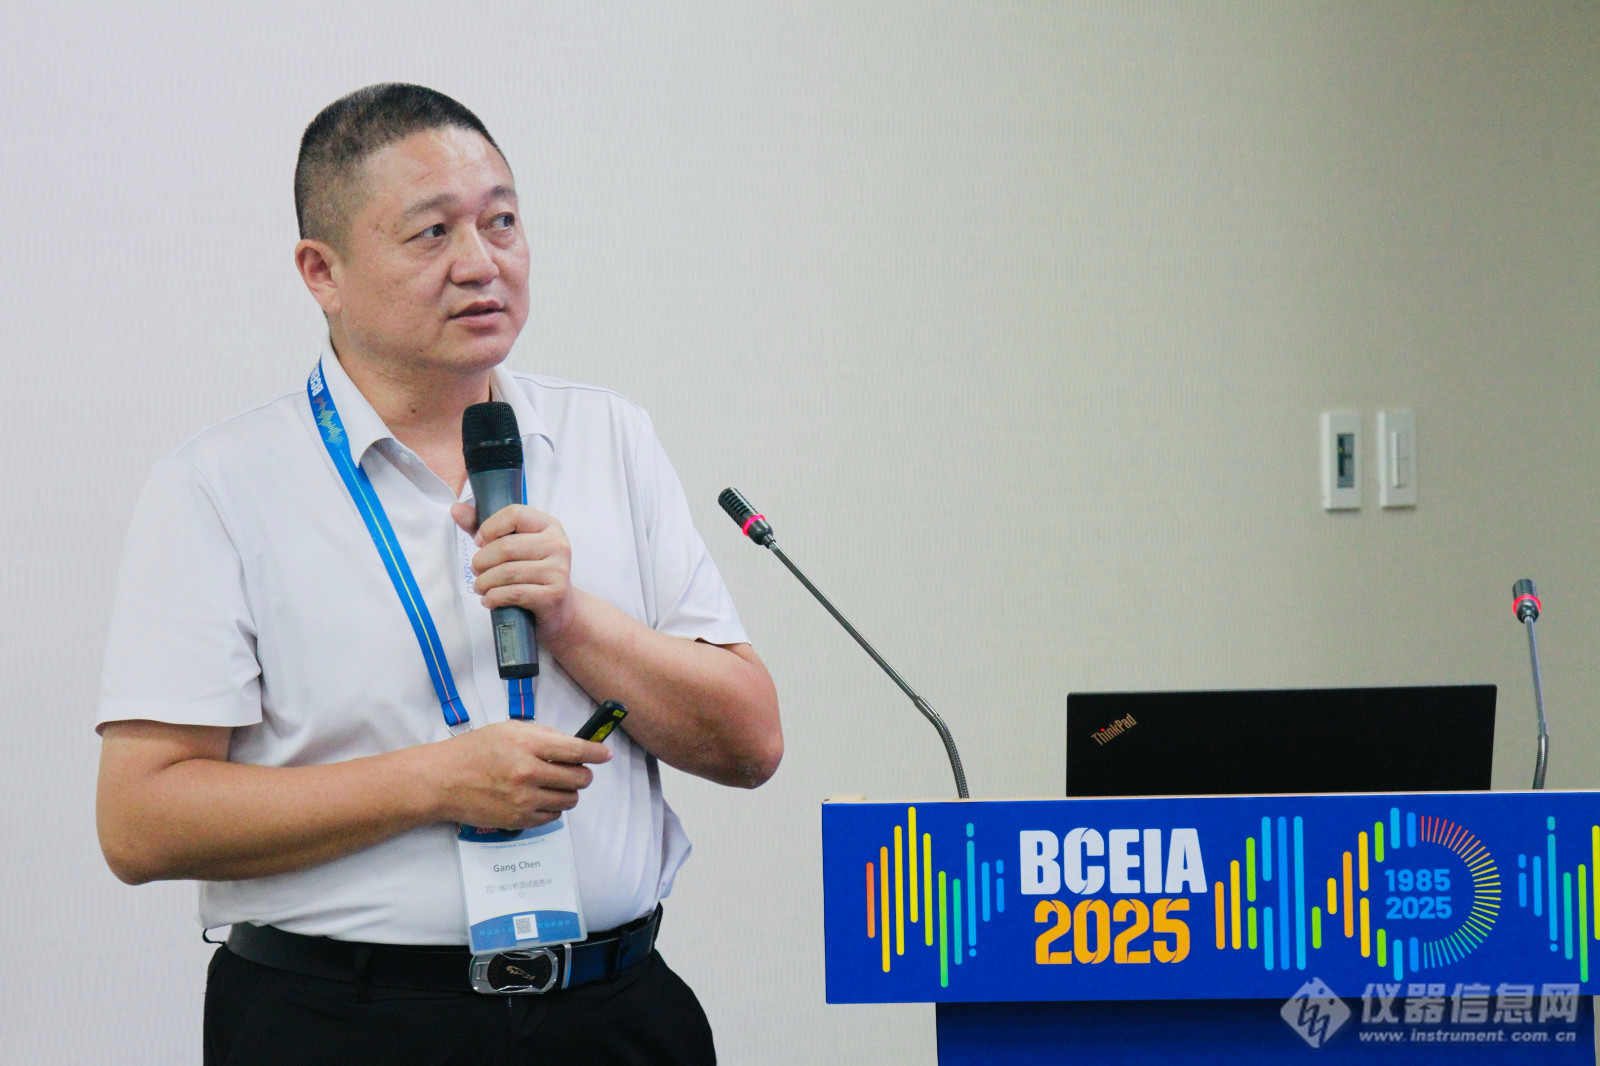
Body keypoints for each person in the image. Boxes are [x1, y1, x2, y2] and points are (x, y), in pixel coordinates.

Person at [94, 83, 781, 1066]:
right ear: (322, 271)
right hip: (343, 1023)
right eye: (432, 233)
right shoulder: (219, 486)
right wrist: (434, 783)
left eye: (501, 222)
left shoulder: (608, 435)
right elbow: (140, 822)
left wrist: (571, 618)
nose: (481, 263)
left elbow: (750, 742)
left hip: (613, 1014)